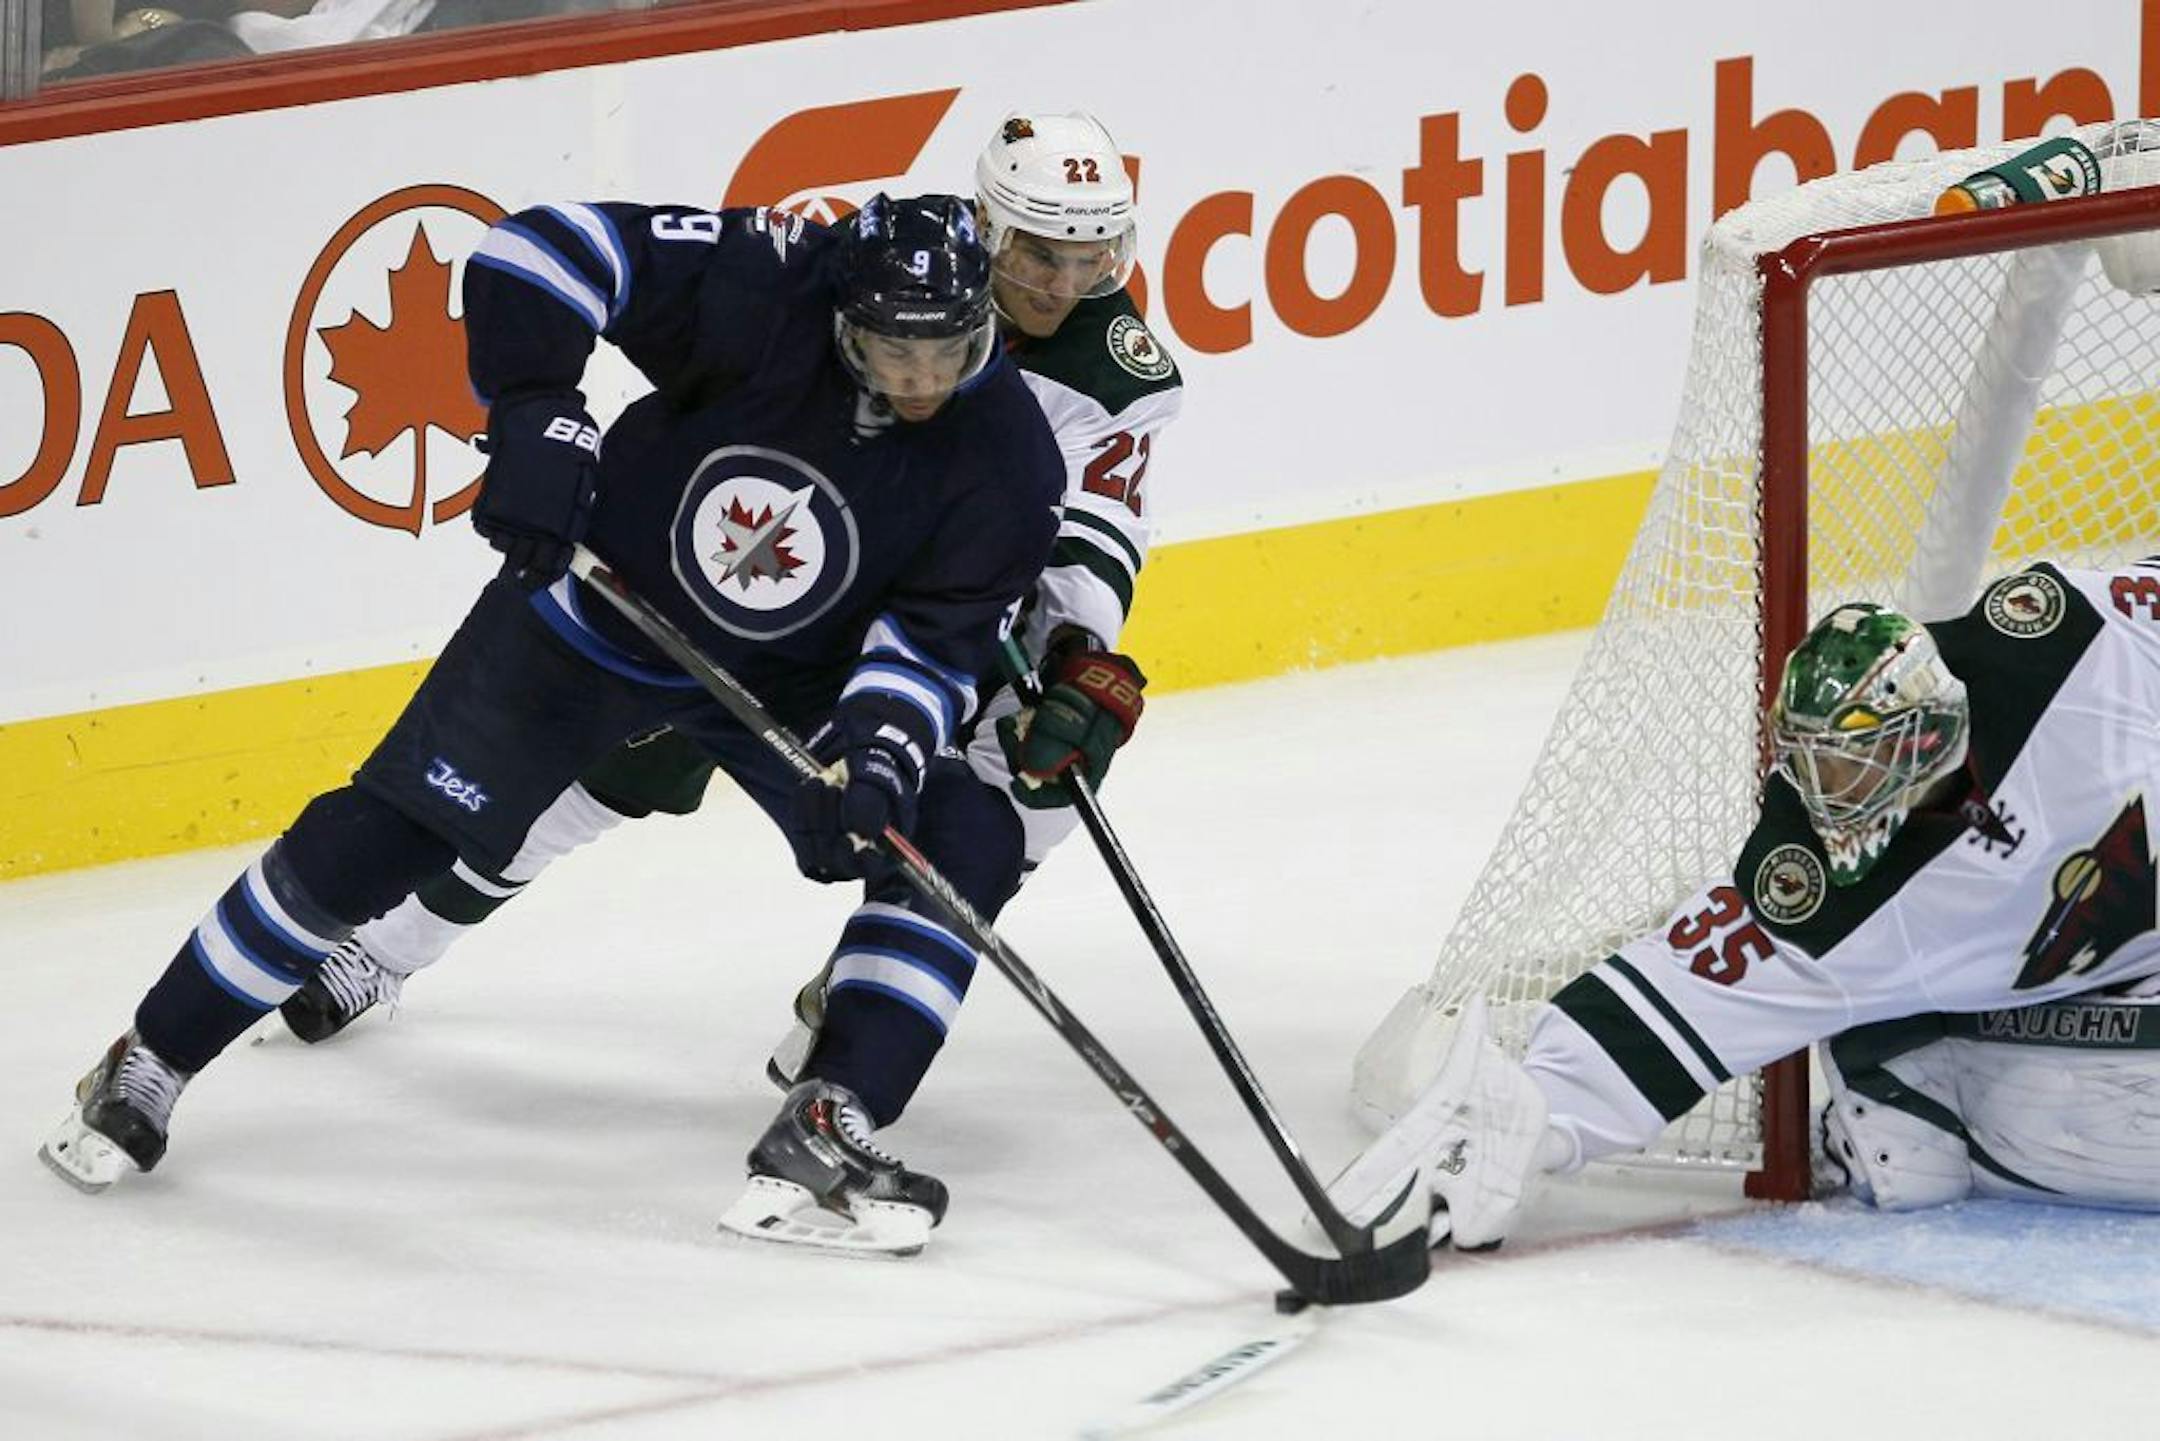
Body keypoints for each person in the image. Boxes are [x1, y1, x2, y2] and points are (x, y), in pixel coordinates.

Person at [39, 190, 1067, 1257]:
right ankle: (151, 1054)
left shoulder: (1012, 461)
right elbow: (545, 246)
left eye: (944, 353)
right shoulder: (775, 279)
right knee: (390, 833)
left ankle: (828, 1119)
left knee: (958, 838)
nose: (918, 382)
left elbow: (933, 640)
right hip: (592, 615)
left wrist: (884, 744)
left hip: (785, 678)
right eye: (888, 353)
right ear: (842, 316)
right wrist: (536, 408)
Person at [272, 113, 1182, 1254]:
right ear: (988, 227)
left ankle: (848, 1039)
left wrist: (1075, 649)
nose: (1068, 280)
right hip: (771, 569)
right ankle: (387, 949)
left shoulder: (1119, 369)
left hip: (929, 606)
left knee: (1006, 805)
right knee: (594, 775)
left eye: (1095, 256)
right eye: (1044, 251)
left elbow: (1098, 528)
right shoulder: (887, 267)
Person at [1328, 561, 2160, 1246]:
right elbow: (1677, 997)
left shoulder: (2071, 646)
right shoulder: (1819, 887)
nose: (1830, 795)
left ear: (1926, 735)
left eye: (1855, 765)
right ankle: (1918, 1091)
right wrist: (1531, 1116)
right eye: (1817, 764)